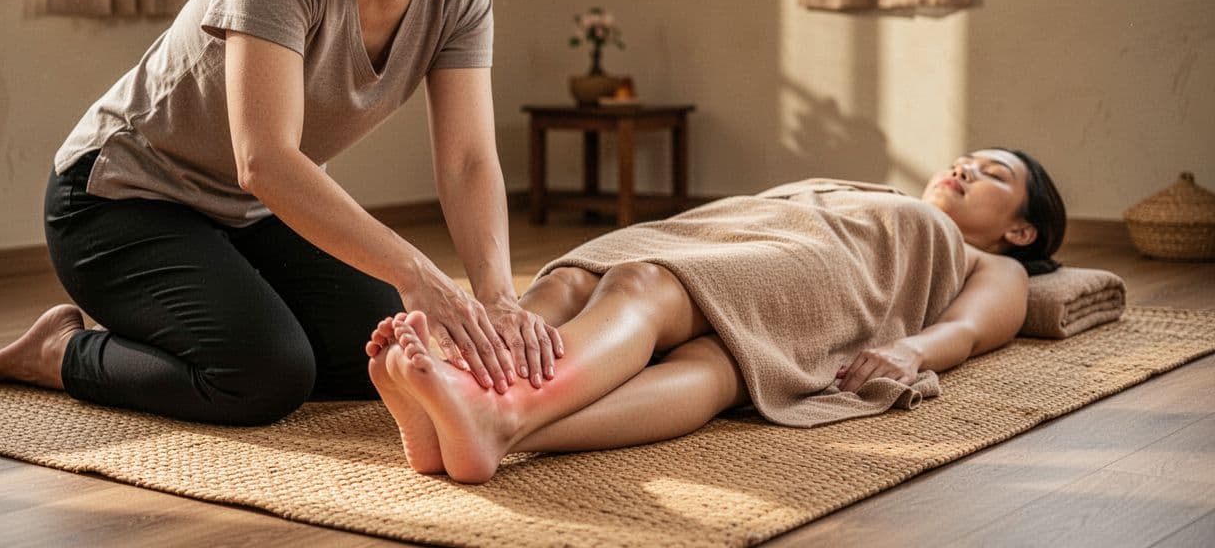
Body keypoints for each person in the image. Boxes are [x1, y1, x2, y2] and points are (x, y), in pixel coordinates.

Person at [0, 0, 570, 426]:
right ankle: (58, 352)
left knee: (396, 353)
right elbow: (263, 159)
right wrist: (418, 272)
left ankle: (218, 320)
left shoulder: (461, 1)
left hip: (246, 214)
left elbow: (468, 162)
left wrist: (498, 297)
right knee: (264, 376)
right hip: (119, 200)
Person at [365, 148, 1067, 483]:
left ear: (1022, 231)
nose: (965, 169)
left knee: (648, 288)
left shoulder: (990, 263)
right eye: (966, 160)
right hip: (735, 229)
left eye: (993, 176)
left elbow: (974, 328)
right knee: (579, 283)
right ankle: (466, 401)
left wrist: (912, 354)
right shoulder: (865, 183)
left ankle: (503, 415)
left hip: (828, 268)